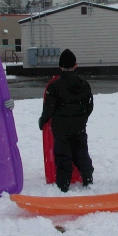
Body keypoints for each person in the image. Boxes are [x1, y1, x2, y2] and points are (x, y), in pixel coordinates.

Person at [38, 49, 94, 192]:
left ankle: (63, 184)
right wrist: (82, 118)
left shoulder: (55, 86)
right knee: (81, 151)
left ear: (60, 66)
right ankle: (87, 178)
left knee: (63, 155)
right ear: (76, 65)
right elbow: (89, 105)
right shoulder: (84, 84)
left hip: (61, 127)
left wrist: (43, 120)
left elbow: (49, 108)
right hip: (79, 125)